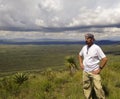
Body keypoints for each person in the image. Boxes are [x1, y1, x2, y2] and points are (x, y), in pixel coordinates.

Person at [79, 33, 108, 99]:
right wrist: (81, 63)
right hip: (85, 71)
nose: (86, 40)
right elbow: (80, 55)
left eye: (88, 38)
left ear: (92, 39)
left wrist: (99, 69)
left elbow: (105, 59)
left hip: (94, 72)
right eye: (85, 38)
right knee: (86, 87)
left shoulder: (96, 48)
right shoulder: (84, 47)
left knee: (99, 88)